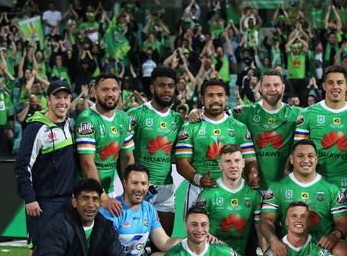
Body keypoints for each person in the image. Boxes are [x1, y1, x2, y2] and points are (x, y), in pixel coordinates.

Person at [260, 139, 347, 256]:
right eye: (300, 156)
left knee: (343, 250)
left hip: (320, 247)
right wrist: (275, 241)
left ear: (316, 159)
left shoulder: (331, 189)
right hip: (289, 247)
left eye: (310, 156)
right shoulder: (277, 188)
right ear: (291, 159)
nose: (306, 160)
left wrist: (334, 236)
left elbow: (343, 222)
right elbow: (266, 221)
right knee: (272, 252)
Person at [175, 78, 259, 213]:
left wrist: (252, 173)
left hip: (233, 190)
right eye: (210, 95)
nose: (215, 99)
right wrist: (199, 179)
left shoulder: (240, 127)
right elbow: (181, 163)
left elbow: (249, 160)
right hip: (199, 190)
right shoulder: (189, 127)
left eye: (220, 95)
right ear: (202, 99)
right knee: (198, 233)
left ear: (226, 98)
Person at [100, 164, 184, 256]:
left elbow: (165, 243)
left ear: (148, 184)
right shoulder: (113, 210)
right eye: (135, 183)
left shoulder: (148, 209)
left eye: (143, 184)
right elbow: (101, 254)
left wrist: (192, 240)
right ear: (124, 183)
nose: (140, 188)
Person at [194, 144, 263, 256]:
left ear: (244, 163)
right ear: (220, 164)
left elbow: (260, 231)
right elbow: (195, 230)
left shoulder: (254, 195)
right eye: (228, 161)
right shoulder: (208, 195)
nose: (233, 165)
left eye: (237, 161)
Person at [15, 80, 75, 250]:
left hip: (67, 201)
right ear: (48, 99)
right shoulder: (35, 129)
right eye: (57, 98)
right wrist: (30, 198)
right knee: (38, 254)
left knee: (63, 252)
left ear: (70, 100)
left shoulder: (71, 125)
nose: (62, 102)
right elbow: (22, 166)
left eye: (66, 97)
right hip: (43, 203)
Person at [127, 65, 184, 234]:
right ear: (152, 87)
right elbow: (125, 153)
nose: (166, 90)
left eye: (170, 86)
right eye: (161, 85)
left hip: (166, 188)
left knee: (162, 243)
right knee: (135, 241)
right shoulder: (135, 114)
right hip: (140, 186)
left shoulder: (178, 119)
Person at [294, 65, 347, 189]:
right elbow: (297, 152)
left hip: (346, 186)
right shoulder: (307, 114)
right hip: (312, 185)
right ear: (324, 86)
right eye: (330, 83)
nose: (335, 87)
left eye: (340, 83)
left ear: (346, 85)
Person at [231, 69, 302, 192]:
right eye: (267, 85)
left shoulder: (297, 114)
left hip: (286, 189)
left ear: (283, 87)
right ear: (260, 88)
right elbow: (216, 116)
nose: (272, 89)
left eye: (276, 85)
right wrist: (197, 112)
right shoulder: (244, 113)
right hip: (254, 189)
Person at [75, 74, 135, 204]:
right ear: (94, 92)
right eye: (105, 90)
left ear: (119, 92)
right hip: (88, 193)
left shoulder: (123, 119)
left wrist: (130, 189)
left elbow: (127, 157)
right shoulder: (87, 119)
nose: (110, 94)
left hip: (110, 191)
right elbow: (87, 163)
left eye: (114, 89)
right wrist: (101, 196)